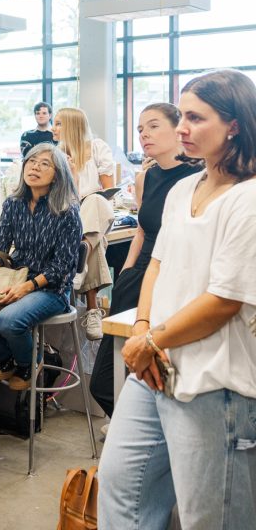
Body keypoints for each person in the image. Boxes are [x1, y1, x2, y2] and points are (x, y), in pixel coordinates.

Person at [99, 69, 256, 529]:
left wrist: (151, 341)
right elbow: (157, 264)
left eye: (195, 117)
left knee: (208, 515)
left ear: (234, 124)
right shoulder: (183, 187)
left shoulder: (248, 199)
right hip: (155, 366)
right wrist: (143, 331)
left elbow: (224, 300)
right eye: (181, 115)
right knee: (121, 488)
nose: (181, 127)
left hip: (213, 379)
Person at [89, 103, 202, 418]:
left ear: (179, 129)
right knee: (104, 382)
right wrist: (125, 273)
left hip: (175, 284)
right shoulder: (146, 177)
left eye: (153, 126)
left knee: (160, 374)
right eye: (140, 129)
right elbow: (141, 229)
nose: (144, 135)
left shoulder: (200, 179)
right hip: (138, 278)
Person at [0, 143, 82, 389]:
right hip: (15, 277)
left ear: (58, 174)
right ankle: (9, 356)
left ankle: (30, 362)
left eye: (45, 164)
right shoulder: (14, 203)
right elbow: (0, 245)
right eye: (32, 161)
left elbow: (63, 267)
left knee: (8, 321)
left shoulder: (67, 210)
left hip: (51, 289)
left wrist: (27, 287)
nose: (35, 166)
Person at [52, 106, 115, 339]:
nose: (53, 128)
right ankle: (93, 309)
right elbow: (58, 200)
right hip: (70, 217)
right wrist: (73, 176)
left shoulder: (98, 148)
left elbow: (110, 191)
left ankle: (83, 251)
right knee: (93, 239)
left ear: (71, 125)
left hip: (97, 210)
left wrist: (93, 195)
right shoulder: (55, 155)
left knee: (96, 201)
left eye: (58, 123)